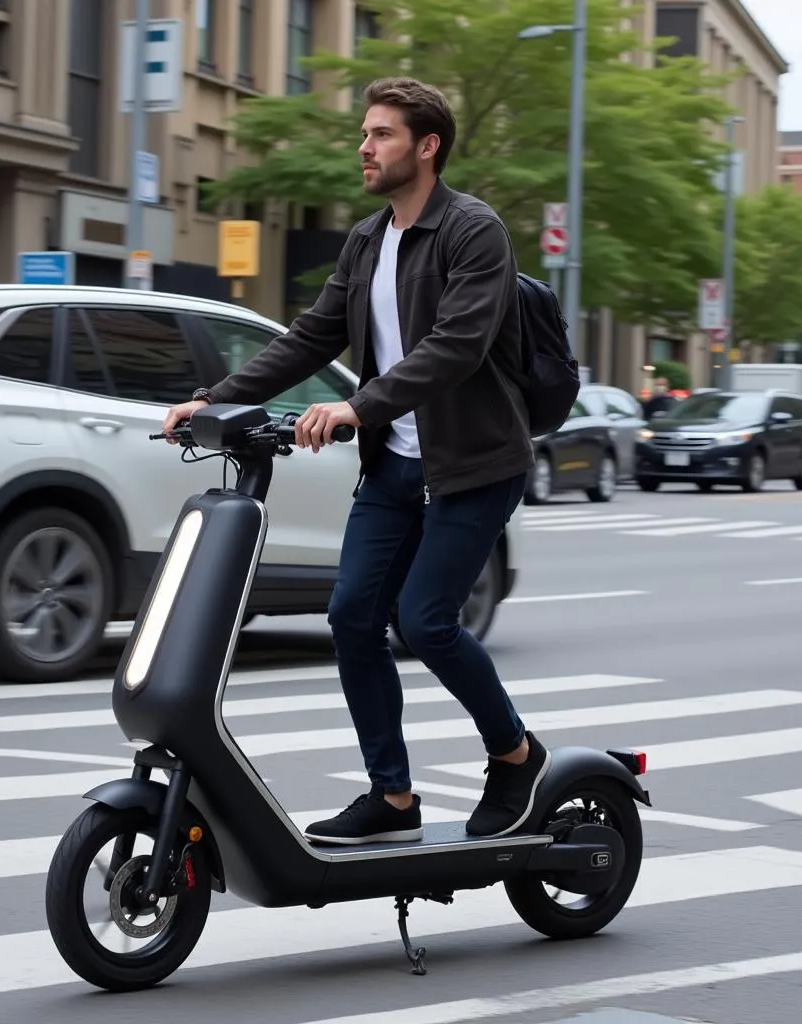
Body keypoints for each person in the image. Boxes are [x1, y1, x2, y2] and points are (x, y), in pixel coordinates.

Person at [161, 77, 550, 845]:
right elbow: (311, 336)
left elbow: (456, 347)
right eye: (365, 134)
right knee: (351, 617)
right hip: (397, 467)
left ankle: (515, 754)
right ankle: (393, 799)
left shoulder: (476, 232)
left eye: (381, 135)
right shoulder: (369, 239)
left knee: (427, 621)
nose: (364, 148)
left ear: (427, 145)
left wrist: (357, 406)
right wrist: (212, 400)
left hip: (472, 464)